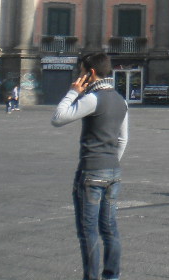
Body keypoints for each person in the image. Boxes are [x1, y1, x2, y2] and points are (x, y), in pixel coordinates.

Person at [51, 52, 128, 280]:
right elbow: (123, 139)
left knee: (88, 231)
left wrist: (73, 92)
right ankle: (112, 276)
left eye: (82, 71)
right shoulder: (121, 100)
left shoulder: (93, 99)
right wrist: (111, 162)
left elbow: (58, 118)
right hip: (113, 170)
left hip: (92, 171)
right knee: (110, 228)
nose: (79, 75)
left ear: (90, 73)